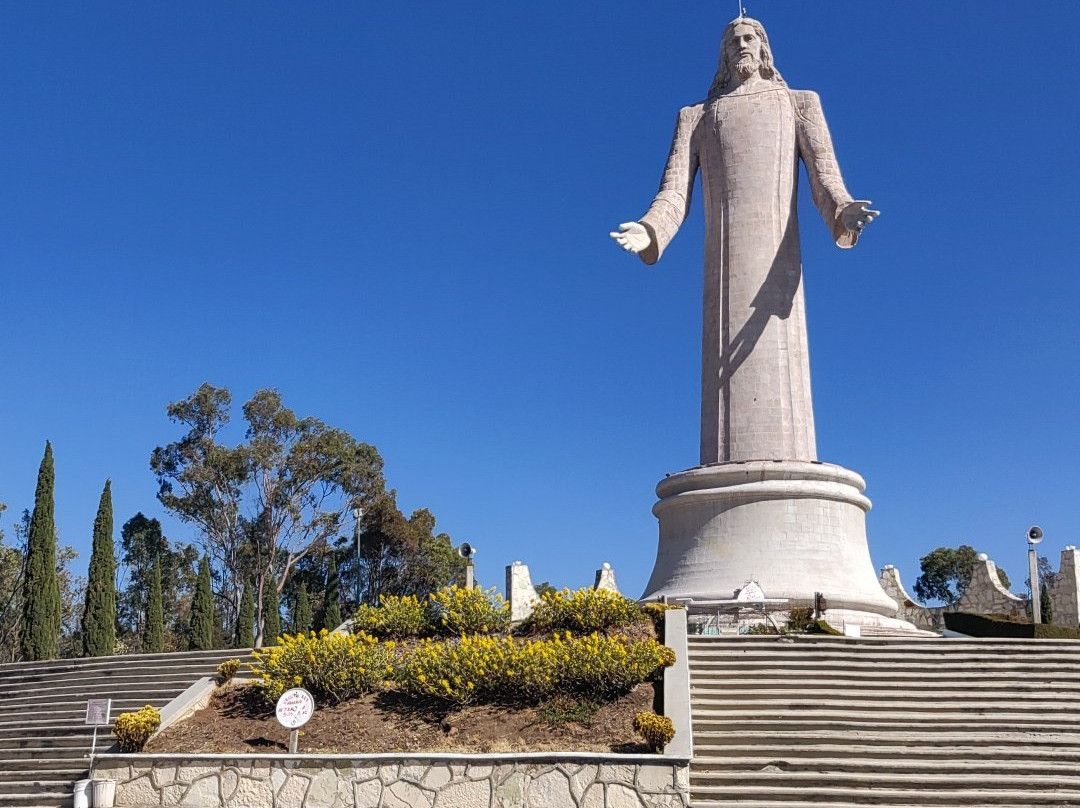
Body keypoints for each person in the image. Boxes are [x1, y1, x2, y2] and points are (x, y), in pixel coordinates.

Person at [611, 17, 878, 465]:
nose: (741, 44)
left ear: (765, 46)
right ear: (722, 54)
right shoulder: (695, 116)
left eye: (750, 36)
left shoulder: (798, 103)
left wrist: (843, 210)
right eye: (732, 40)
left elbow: (825, 176)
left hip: (779, 258)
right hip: (722, 261)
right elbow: (674, 191)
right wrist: (649, 229)